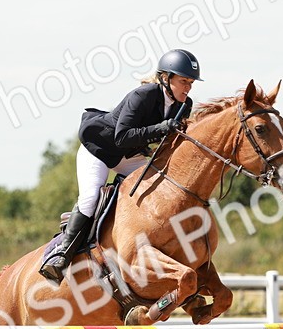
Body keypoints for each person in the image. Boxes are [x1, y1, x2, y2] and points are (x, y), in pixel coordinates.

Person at [39, 48, 202, 283]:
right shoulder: (143, 95)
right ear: (166, 78)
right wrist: (161, 128)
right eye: (183, 81)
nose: (188, 87)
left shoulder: (183, 106)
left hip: (130, 155)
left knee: (158, 190)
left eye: (191, 83)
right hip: (99, 150)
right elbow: (122, 137)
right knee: (90, 197)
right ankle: (62, 254)